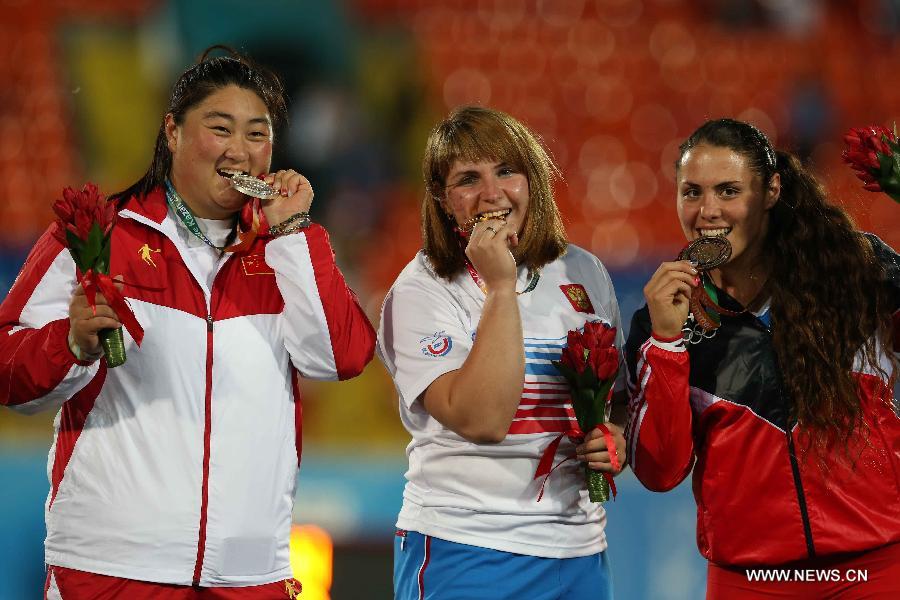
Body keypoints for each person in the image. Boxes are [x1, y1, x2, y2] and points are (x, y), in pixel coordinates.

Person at [0, 46, 376, 599]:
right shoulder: (99, 237)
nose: (240, 151)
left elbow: (343, 356)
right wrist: (72, 344)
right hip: (112, 571)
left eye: (257, 133)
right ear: (172, 131)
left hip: (250, 573)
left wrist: (295, 233)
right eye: (219, 128)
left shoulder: (286, 253)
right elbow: (8, 371)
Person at [625, 118, 900, 598]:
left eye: (729, 191)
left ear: (771, 190)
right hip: (750, 583)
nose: (707, 211)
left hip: (874, 571)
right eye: (691, 192)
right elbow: (660, 471)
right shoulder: (664, 317)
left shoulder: (857, 272)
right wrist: (666, 345)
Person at [377, 106, 627, 599]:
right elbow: (485, 420)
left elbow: (614, 400)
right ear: (444, 202)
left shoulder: (585, 272)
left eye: (507, 171)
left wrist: (614, 438)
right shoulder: (422, 291)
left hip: (580, 550)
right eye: (469, 179)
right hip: (466, 549)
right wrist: (499, 287)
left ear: (531, 180)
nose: (492, 194)